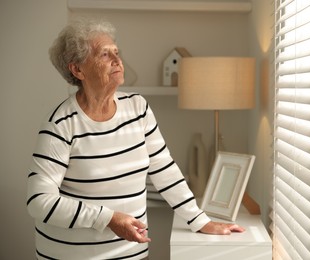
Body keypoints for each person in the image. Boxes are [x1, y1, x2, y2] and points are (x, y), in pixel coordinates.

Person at [26, 19, 244, 259]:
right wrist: (108, 218)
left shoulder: (137, 107)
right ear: (78, 70)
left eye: (116, 52)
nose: (117, 60)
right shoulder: (60, 124)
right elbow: (39, 201)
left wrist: (199, 220)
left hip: (132, 252)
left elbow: (164, 170)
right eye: (104, 54)